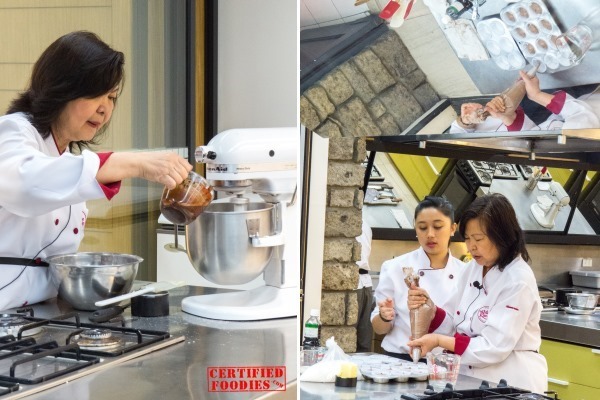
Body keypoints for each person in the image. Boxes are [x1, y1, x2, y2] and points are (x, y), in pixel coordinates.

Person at [0, 31, 193, 311]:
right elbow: (26, 184)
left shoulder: (66, 156)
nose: (105, 109)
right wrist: (135, 163)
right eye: (95, 95)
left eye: (112, 97)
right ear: (60, 89)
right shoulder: (13, 132)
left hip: (38, 312)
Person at [407, 193, 548, 393]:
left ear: (502, 235)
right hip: (471, 379)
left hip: (512, 382)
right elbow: (453, 322)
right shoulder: (472, 268)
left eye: (479, 239)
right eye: (467, 239)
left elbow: (493, 347)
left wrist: (438, 341)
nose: (471, 246)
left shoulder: (518, 279)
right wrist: (428, 308)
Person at [371, 196, 466, 361]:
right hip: (398, 358)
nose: (430, 234)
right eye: (422, 227)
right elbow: (379, 329)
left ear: (452, 228)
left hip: (444, 363)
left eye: (437, 227)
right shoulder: (394, 267)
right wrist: (384, 316)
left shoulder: (466, 273)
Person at [355, 218, 374, 353]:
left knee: (350, 336)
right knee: (364, 339)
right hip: (366, 283)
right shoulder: (365, 223)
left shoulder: (352, 221)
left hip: (355, 283)